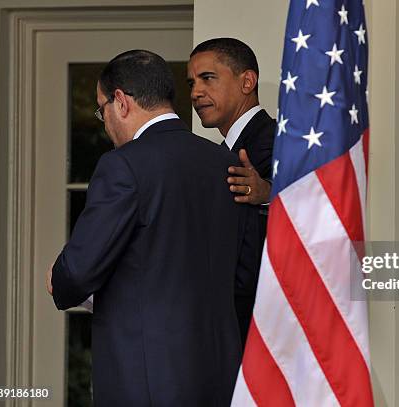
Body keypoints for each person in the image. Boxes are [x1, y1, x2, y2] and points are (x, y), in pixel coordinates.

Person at [46, 50, 257, 406]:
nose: (105, 122)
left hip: (145, 378)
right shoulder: (226, 163)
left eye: (102, 111)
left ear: (121, 102)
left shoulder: (122, 166)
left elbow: (79, 272)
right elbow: (243, 276)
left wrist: (61, 279)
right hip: (220, 376)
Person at [187, 38, 276, 345]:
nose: (195, 93)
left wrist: (268, 192)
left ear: (247, 81)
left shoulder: (280, 141)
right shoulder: (221, 154)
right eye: (192, 83)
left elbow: (318, 207)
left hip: (263, 333)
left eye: (207, 78)